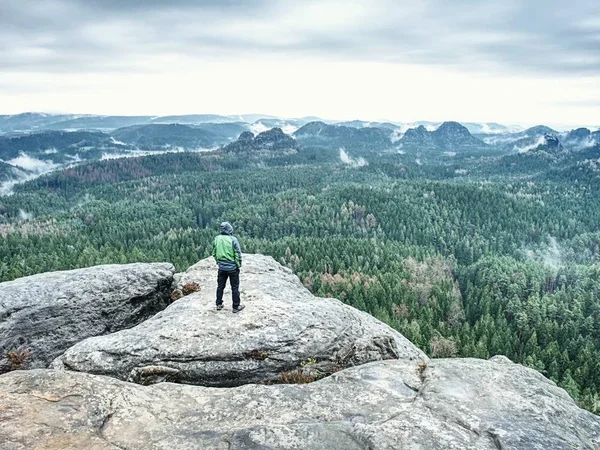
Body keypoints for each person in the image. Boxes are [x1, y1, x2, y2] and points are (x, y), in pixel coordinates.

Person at [213, 221, 244, 312]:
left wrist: (218, 263)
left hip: (221, 268)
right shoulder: (233, 239)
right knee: (234, 287)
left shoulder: (217, 238)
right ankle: (235, 307)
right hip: (232, 268)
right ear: (230, 229)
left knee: (220, 286)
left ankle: (219, 304)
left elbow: (214, 253)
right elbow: (237, 253)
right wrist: (238, 265)